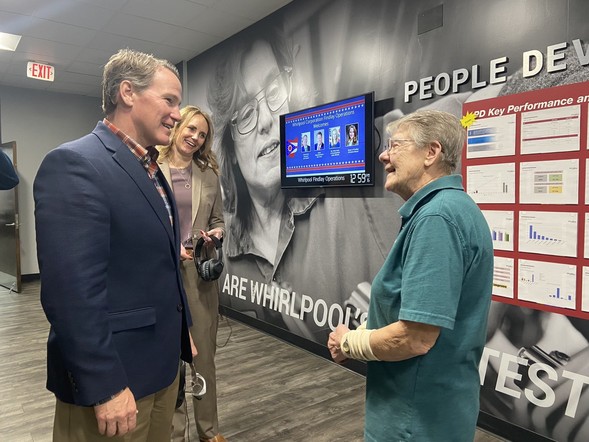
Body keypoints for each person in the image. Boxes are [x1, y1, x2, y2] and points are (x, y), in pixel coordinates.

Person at [34, 48, 193, 441]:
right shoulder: (75, 164)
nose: (178, 113)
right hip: (113, 386)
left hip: (161, 367)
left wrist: (181, 328)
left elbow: (159, 263)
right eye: (169, 100)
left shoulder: (153, 167)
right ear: (127, 93)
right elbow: (70, 295)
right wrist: (104, 384)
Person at [206, 30, 395, 344]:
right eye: (246, 114)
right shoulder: (225, 249)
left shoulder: (366, 181)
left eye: (274, 90)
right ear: (230, 146)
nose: (267, 120)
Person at [328, 109, 494, 441]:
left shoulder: (437, 218)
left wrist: (350, 341)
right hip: (431, 410)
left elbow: (415, 338)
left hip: (415, 419)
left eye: (395, 145)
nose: (383, 155)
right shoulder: (448, 209)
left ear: (431, 153)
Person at [156, 105, 226, 442]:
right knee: (169, 362)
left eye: (202, 134)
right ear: (178, 125)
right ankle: (173, 431)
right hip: (160, 276)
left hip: (197, 277)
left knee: (204, 361)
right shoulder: (149, 167)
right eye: (192, 129)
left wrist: (217, 234)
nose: (196, 138)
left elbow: (218, 221)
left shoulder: (208, 173)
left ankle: (209, 430)